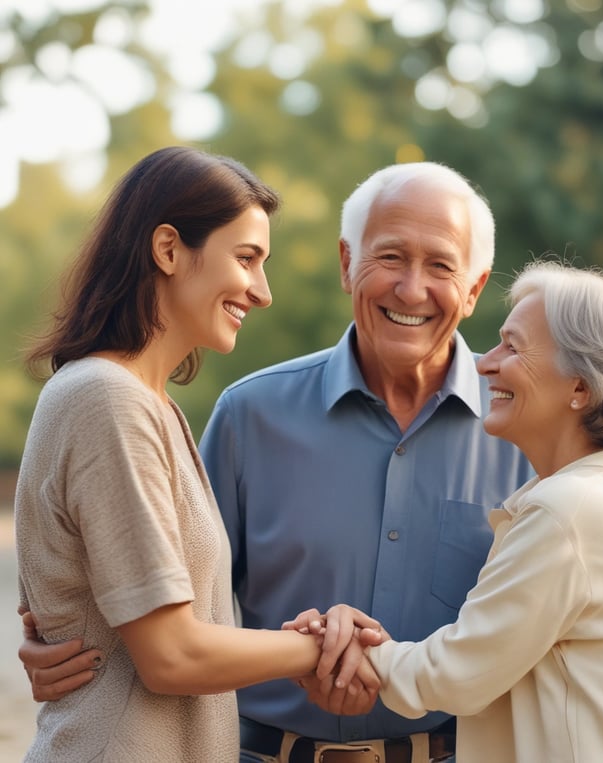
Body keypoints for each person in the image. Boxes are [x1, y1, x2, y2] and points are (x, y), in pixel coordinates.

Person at [19, 161, 532, 762]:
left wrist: (72, 620)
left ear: (474, 289)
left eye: (441, 265)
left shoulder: (530, 434)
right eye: (390, 257)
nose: (412, 288)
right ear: (347, 263)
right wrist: (65, 625)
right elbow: (171, 632)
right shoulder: (239, 414)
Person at [14, 145, 379, 763]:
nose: (262, 292)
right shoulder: (107, 400)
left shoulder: (147, 405)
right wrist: (324, 647)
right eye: (246, 259)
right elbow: (172, 655)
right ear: (167, 250)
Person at [298, 260, 603, 762]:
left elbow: (457, 672)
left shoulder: (570, 511)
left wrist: (342, 651)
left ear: (580, 387)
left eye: (512, 347)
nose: (483, 363)